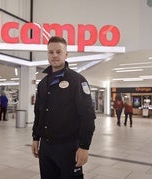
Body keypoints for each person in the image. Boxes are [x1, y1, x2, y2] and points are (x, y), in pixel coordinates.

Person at [31, 36, 96, 179]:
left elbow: (88, 116)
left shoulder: (77, 81)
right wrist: (36, 137)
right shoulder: (43, 83)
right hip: (46, 147)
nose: (54, 55)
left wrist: (84, 146)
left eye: (58, 52)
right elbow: (39, 113)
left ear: (66, 54)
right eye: (51, 52)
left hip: (69, 147)